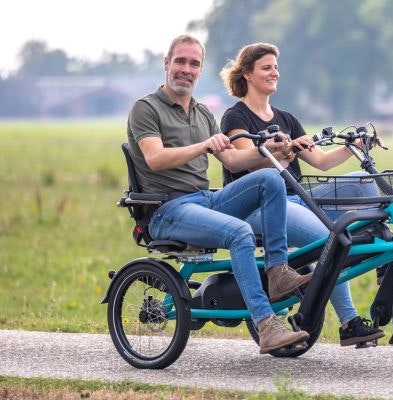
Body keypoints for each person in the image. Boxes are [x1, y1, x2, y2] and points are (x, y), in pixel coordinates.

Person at [126, 35, 313, 354]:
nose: (187, 69)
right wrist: (203, 145)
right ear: (166, 64)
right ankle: (266, 325)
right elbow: (155, 159)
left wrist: (266, 150)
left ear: (200, 70)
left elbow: (233, 160)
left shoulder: (202, 113)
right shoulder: (146, 108)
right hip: (167, 209)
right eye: (181, 61)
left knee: (269, 178)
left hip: (204, 199)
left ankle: (278, 272)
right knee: (240, 232)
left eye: (194, 64)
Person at [219, 42, 385, 346]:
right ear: (248, 74)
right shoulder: (236, 118)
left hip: (297, 198)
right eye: (266, 67)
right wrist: (284, 150)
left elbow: (320, 161)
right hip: (261, 206)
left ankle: (386, 259)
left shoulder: (286, 118)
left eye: (276, 67)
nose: (274, 73)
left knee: (363, 179)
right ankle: (349, 323)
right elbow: (249, 166)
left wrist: (354, 148)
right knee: (331, 239)